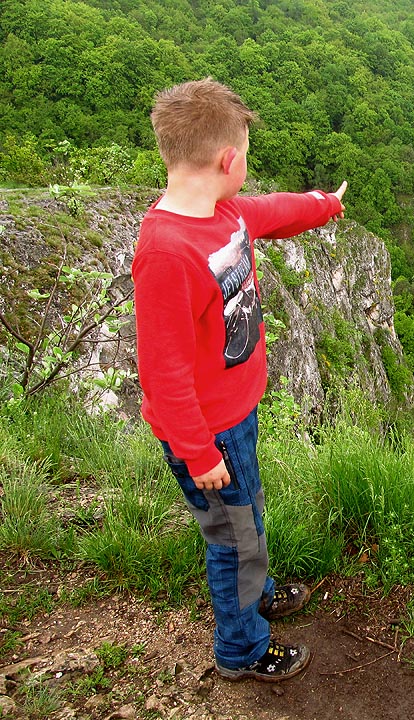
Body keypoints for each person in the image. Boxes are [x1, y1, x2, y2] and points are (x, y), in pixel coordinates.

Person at [132, 78, 347, 682]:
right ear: (230, 160)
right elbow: (163, 372)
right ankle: (242, 648)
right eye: (246, 152)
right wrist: (197, 453)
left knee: (245, 520)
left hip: (233, 418)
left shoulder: (219, 211)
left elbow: (272, 212)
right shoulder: (167, 253)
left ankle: (259, 593)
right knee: (231, 540)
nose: (247, 165)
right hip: (208, 435)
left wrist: (324, 203)